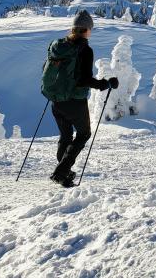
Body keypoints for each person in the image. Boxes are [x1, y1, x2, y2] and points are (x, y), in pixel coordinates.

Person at [46, 10, 118, 187]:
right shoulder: (84, 49)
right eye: (90, 29)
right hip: (75, 102)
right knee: (84, 133)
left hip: (56, 100)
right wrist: (105, 84)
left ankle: (64, 173)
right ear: (86, 29)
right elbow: (83, 80)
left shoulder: (59, 46)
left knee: (66, 136)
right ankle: (61, 171)